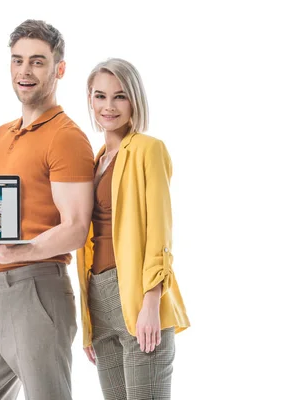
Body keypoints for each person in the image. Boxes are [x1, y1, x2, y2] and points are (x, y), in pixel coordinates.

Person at [0, 19, 95, 400]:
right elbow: (10, 216)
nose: (25, 71)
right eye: (18, 60)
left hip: (37, 290)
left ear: (59, 69)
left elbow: (75, 227)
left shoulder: (66, 138)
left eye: (38, 62)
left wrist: (20, 252)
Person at [76, 58, 190, 400]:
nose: (108, 106)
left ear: (134, 100)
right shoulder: (95, 160)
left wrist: (152, 302)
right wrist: (88, 325)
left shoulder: (147, 149)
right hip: (98, 302)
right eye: (100, 96)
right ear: (90, 100)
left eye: (120, 96)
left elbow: (160, 229)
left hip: (138, 298)